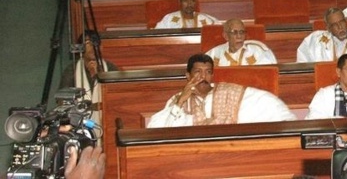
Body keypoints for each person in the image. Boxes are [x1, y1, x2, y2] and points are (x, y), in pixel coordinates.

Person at [147, 53, 295, 127]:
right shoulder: (178, 100)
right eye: (198, 72)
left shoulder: (229, 92)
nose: (203, 77)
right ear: (188, 75)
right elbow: (155, 128)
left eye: (208, 72)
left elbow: (267, 104)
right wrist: (180, 102)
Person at [59, 37, 118, 127]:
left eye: (95, 43)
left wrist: (99, 75)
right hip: (79, 121)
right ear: (81, 47)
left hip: (107, 119)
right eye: (88, 43)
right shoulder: (72, 70)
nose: (93, 47)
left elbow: (117, 95)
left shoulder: (110, 68)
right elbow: (62, 99)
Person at [205, 19, 277, 66]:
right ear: (226, 36)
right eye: (234, 32)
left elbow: (268, 73)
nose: (239, 36)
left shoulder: (257, 50)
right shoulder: (214, 53)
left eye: (241, 32)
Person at [155, 0, 220, 29]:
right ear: (180, 1)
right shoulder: (170, 18)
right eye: (185, 1)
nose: (189, 4)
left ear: (195, 1)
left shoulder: (206, 19)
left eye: (192, 0)